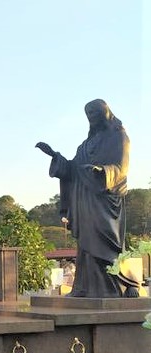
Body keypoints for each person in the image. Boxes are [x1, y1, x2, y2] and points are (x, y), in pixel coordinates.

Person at [36, 99, 130, 298]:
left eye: (95, 113)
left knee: (103, 246)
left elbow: (121, 169)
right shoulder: (85, 145)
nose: (92, 118)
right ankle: (84, 288)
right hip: (84, 201)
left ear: (105, 113)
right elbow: (73, 169)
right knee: (86, 246)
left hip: (104, 200)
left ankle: (109, 289)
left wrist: (101, 172)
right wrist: (56, 156)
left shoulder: (118, 136)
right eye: (89, 115)